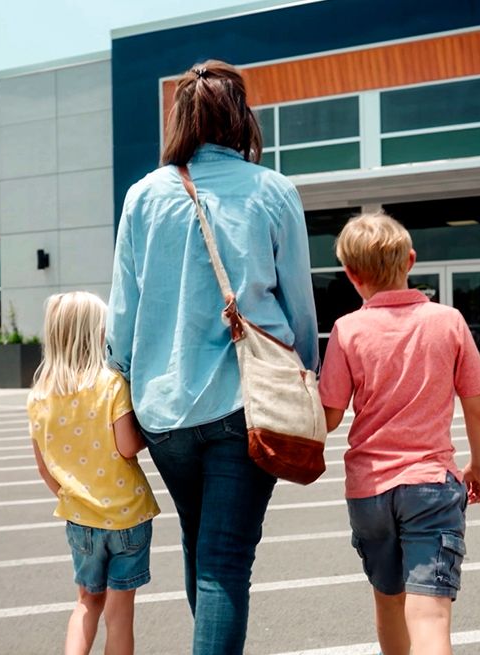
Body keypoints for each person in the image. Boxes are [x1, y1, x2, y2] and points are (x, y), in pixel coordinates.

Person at [106, 59, 319, 654]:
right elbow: (298, 305)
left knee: (202, 548)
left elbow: (123, 312)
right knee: (225, 560)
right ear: (241, 115)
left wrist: (121, 383)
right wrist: (306, 377)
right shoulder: (273, 190)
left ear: (181, 118)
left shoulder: (143, 196)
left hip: (163, 411)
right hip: (242, 403)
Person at [318, 212, 480, 655]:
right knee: (430, 614)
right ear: (411, 260)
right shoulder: (448, 321)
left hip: (369, 490)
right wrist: (479, 467)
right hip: (430, 485)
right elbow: (476, 406)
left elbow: (331, 415)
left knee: (388, 600)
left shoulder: (347, 330)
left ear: (351, 275)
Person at [28, 291, 160, 655]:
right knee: (120, 611)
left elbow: (44, 466)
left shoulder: (39, 396)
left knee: (86, 601)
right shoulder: (111, 385)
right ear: (97, 334)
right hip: (127, 516)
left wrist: (73, 496)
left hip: (80, 520)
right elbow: (127, 446)